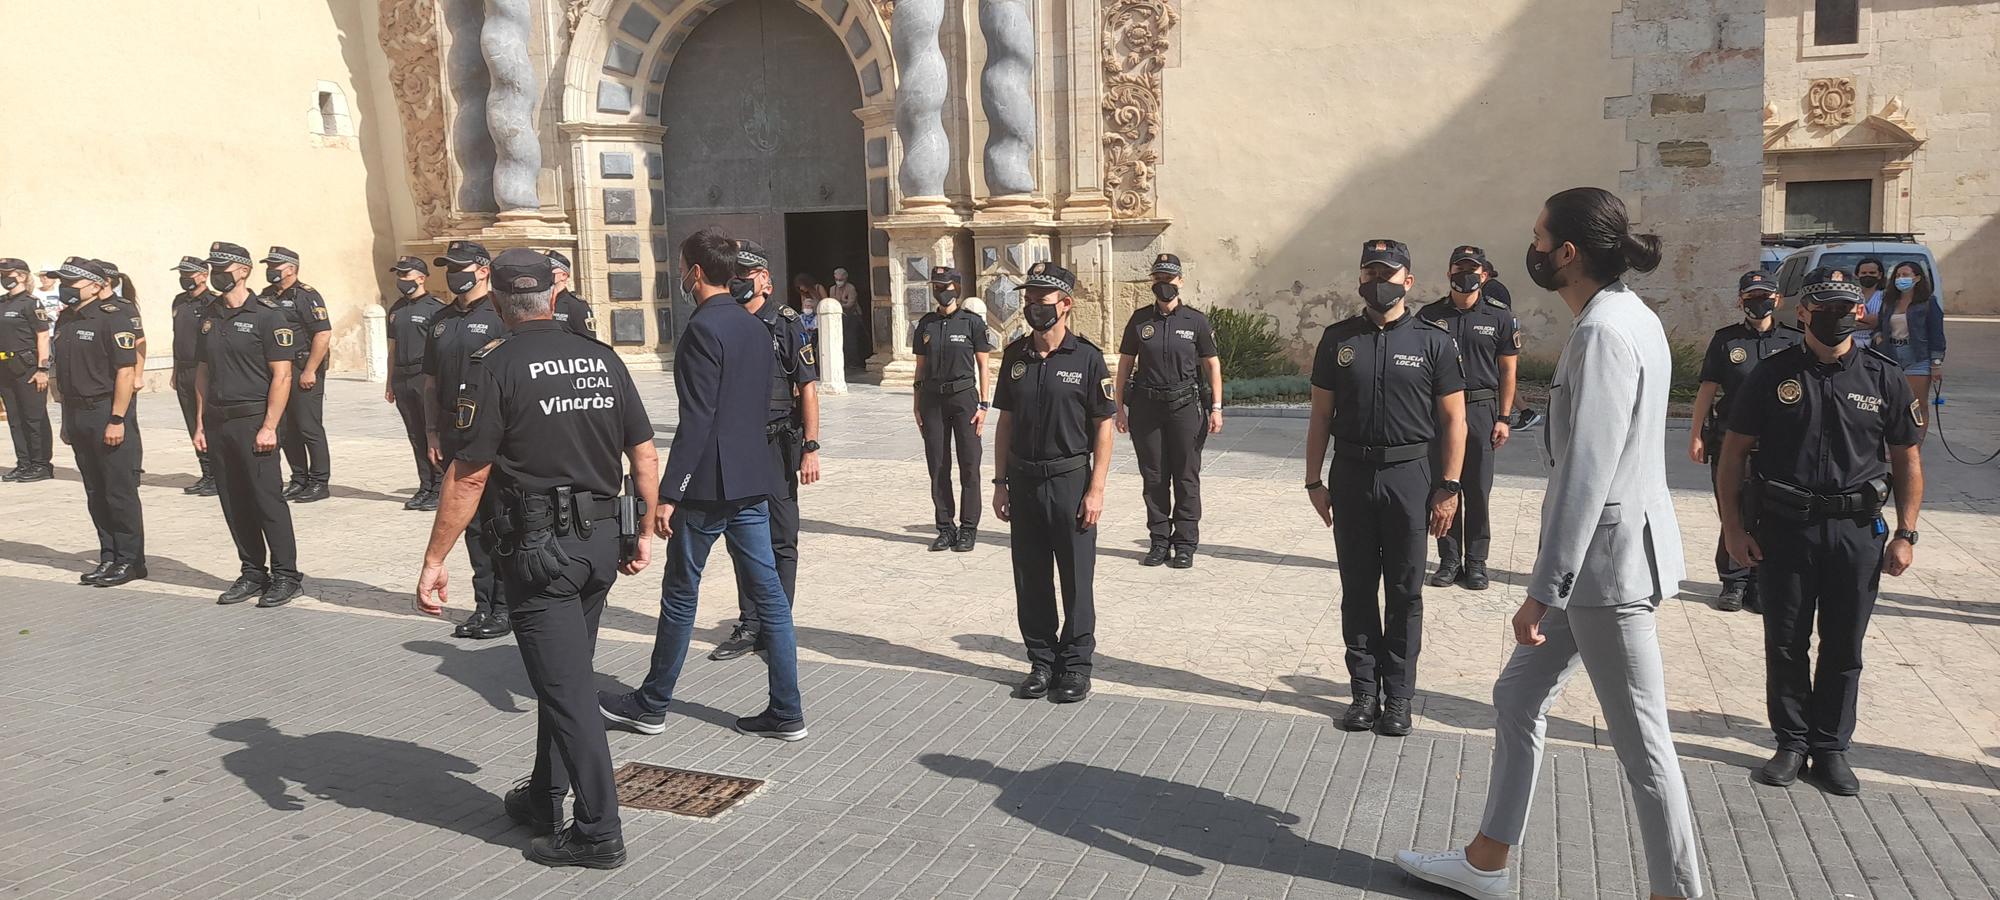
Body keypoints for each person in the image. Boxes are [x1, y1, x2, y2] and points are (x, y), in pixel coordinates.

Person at [1397, 188, 1700, 900]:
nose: (1529, 250)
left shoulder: (1602, 332)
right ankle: (1486, 861)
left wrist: (1542, 589)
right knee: (1516, 697)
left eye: (1539, 238)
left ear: (1568, 253)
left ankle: (1678, 892)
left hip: (1604, 570)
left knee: (1644, 749)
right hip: (1601, 562)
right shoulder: (1628, 317)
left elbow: (1587, 474)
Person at [417, 247, 658, 870]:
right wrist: (644, 530)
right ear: (554, 293)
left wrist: (435, 558)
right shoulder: (602, 358)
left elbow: (468, 478)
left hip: (540, 551)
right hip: (601, 543)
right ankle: (545, 797)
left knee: (570, 693)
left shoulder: (494, 367)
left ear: (496, 300)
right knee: (566, 677)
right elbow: (644, 450)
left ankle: (599, 831)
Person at [1719, 268, 1924, 797]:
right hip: (1785, 527)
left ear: (1859, 313)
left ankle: (1830, 748)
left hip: (1856, 531)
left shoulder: (1884, 377)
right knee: (1785, 641)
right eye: (1823, 307)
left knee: (1843, 644)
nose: (1834, 317)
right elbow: (1734, 453)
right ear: (1803, 312)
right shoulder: (1772, 373)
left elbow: (1906, 459)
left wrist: (1907, 532)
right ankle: (1791, 742)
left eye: (1844, 308)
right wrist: (1733, 528)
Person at [597, 227, 804, 741]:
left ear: (693, 272)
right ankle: (787, 710)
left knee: (681, 593)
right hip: (754, 479)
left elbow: (697, 420)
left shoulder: (701, 330)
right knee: (771, 597)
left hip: (708, 485)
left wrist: (669, 493)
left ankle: (651, 703)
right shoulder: (756, 326)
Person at [1304, 239, 1466, 737]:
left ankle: (1398, 698)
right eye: (1371, 271)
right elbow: (1321, 415)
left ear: (1408, 281)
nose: (1380, 281)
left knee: (1403, 591)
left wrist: (1450, 486)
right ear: (1360, 279)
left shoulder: (1433, 342)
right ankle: (1362, 693)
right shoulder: (1337, 339)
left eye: (1389, 273)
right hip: (1351, 475)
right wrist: (1313, 478)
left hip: (1409, 476)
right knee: (1356, 589)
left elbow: (1455, 419)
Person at [991, 262, 1115, 705]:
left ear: (1065, 305)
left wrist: (1096, 488)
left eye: (1042, 301)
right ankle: (1041, 662)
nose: (1032, 308)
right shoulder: (1016, 356)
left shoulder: (1087, 357)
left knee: (1077, 579)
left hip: (1069, 480)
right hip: (1023, 480)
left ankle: (1076, 667)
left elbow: (1104, 426)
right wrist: (1000, 481)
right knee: (1031, 577)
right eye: (1029, 300)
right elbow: (1005, 421)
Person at [710, 239, 823, 662]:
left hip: (778, 443)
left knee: (781, 535)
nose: (737, 283)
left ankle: (777, 623)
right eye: (733, 276)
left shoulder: (785, 322)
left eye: (745, 276)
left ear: (764, 280)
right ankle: (749, 621)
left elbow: (808, 387)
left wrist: (811, 446)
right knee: (742, 535)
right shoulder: (725, 322)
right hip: (737, 444)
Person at [193, 241, 303, 607]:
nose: (217, 274)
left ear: (243, 271)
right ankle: (253, 571)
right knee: (233, 501)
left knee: (266, 499)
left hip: (255, 419)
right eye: (213, 268)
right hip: (219, 421)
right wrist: (199, 422)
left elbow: (282, 375)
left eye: (224, 268)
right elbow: (203, 372)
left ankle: (286, 575)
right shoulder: (208, 315)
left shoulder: (269, 315)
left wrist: (270, 425)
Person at [1688, 271, 1801, 613]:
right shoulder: (1726, 341)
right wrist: (1696, 434)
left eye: (1764, 296)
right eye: (1751, 297)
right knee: (1733, 510)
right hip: (1728, 441)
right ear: (1740, 301)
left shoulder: (1794, 341)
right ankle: (1734, 582)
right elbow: (1707, 389)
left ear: (1777, 300)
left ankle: (1758, 583)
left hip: (1777, 443)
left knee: (1768, 513)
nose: (1758, 303)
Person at [423, 240, 512, 640]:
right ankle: (484, 605)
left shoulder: (500, 315)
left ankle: (507, 604)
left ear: (482, 269)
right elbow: (430, 381)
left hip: (492, 431)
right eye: (447, 267)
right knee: (470, 522)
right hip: (453, 430)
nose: (452, 274)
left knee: (498, 519)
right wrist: (431, 431)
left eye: (459, 266)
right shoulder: (440, 320)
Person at [1419, 246, 1519, 591]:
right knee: (1444, 485)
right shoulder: (1429, 316)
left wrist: (1504, 417)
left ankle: (1476, 562)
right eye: (1459, 269)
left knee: (1477, 488)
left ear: (1485, 275)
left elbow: (1508, 371)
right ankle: (1448, 560)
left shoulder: (1500, 317)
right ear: (1449, 274)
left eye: (1472, 270)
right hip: (1441, 413)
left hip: (1480, 410)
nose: (1466, 276)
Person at [1114, 253, 1222, 568]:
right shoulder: (1139, 320)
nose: (1165, 285)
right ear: (1153, 282)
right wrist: (1119, 407)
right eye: (1159, 280)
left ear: (1180, 282)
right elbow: (1125, 365)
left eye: (1170, 279)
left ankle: (1185, 543)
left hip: (1185, 406)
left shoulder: (1196, 321)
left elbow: (1212, 364)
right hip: (1147, 408)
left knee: (1186, 477)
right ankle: (1159, 541)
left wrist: (1216, 407)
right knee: (1154, 477)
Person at [50, 258, 148, 587]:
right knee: (95, 491)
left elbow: (125, 372)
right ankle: (109, 555)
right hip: (77, 414)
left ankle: (130, 560)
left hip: (106, 410)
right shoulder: (65, 319)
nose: (66, 289)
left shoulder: (114, 318)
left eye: (72, 283)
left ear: (95, 285)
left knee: (119, 491)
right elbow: (62, 373)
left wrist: (117, 419)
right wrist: (66, 420)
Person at [912, 265, 994, 552]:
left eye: (946, 287)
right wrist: (916, 403)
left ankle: (969, 528)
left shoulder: (972, 323)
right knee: (938, 465)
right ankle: (945, 527)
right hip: (933, 400)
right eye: (936, 287)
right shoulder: (926, 324)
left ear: (957, 288)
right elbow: (920, 368)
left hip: (964, 400)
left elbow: (984, 366)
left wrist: (984, 404)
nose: (941, 292)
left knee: (969, 465)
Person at [263, 247, 333, 503]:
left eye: (276, 266)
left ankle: (319, 481)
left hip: (302, 367)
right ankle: (299, 477)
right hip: (278, 371)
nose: (271, 270)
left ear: (291, 268)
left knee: (308, 426)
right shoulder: (266, 296)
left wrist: (311, 370)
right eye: (269, 265)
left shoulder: (306, 296)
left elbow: (322, 334)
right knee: (286, 428)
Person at [385, 256, 446, 511]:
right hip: (402, 377)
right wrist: (389, 382)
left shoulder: (435, 309)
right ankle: (425, 485)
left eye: (406, 275)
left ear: (421, 278)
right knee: (415, 434)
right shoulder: (396, 309)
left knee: (433, 432)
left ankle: (441, 486)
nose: (401, 280)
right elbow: (392, 348)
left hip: (425, 376)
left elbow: (442, 350)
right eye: (399, 275)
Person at [1871, 260, 1945, 439]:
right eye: (1897, 275)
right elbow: (1880, 325)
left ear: (1917, 278)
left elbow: (1937, 334)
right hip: (1891, 356)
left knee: (1917, 404)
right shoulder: (1889, 302)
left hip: (1917, 358)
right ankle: (1894, 442)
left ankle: (1915, 445)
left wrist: (1936, 363)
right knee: (1891, 402)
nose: (1900, 279)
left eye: (1905, 275)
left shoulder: (1928, 303)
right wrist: (1878, 337)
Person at [0, 257, 54, 483]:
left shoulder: (31, 303)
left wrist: (42, 368)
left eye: (8, 274)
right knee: (15, 418)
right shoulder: (2, 302)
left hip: (28, 368)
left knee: (34, 417)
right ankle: (24, 463)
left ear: (22, 276)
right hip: (4, 368)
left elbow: (42, 336)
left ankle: (41, 464)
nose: (4, 278)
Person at [168, 256, 217, 497]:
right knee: (191, 422)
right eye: (182, 273)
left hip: (204, 370)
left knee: (206, 421)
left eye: (190, 273)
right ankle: (207, 472)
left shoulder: (213, 302)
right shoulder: (179, 302)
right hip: (184, 369)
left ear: (203, 275)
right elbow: (178, 338)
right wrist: (175, 370)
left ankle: (218, 474)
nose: (185, 278)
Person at [545, 250, 597, 338]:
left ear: (564, 275)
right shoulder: (539, 301)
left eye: (550, 270)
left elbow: (589, 340)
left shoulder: (575, 305)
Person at [829, 266, 867, 371]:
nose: (839, 282)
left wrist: (840, 304)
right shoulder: (832, 289)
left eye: (841, 280)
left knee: (851, 339)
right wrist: (842, 303)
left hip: (852, 316)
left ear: (845, 278)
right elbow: (832, 303)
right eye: (837, 279)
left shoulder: (851, 288)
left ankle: (854, 362)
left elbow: (850, 304)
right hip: (838, 317)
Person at [1851, 257, 1885, 349]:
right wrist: (1871, 321)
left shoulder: (1885, 296)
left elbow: (1882, 321)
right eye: (1864, 273)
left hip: (1877, 345)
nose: (1868, 275)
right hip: (1851, 344)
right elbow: (1845, 321)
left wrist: (1856, 318)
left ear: (1879, 275)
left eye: (1872, 273)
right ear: (1857, 275)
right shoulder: (1850, 296)